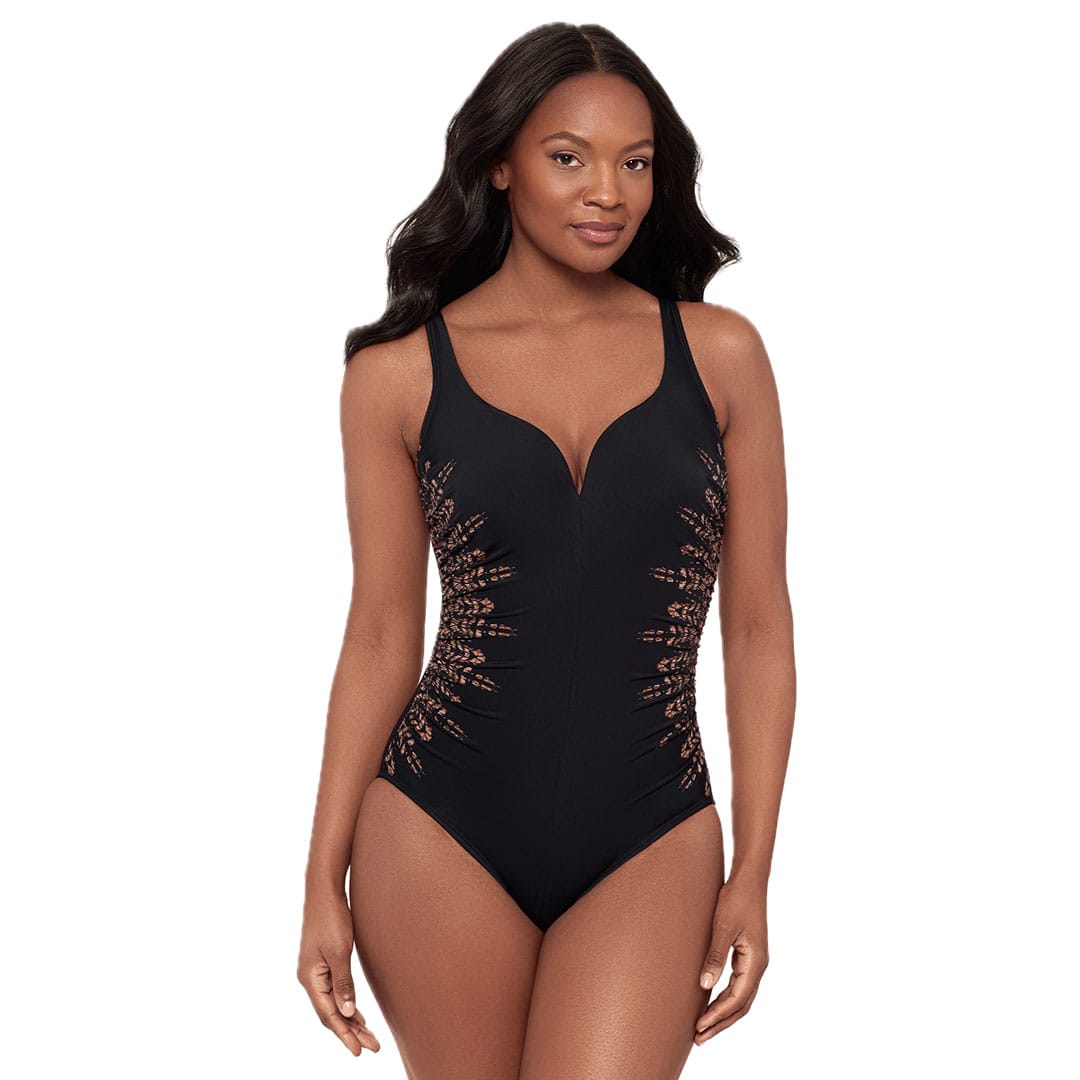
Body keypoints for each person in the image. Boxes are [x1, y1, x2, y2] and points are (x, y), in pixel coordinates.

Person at [297, 21, 795, 1079]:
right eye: (569, 157)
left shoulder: (722, 357)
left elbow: (757, 625)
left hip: (653, 828)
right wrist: (318, 881)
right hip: (436, 827)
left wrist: (753, 867)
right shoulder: (396, 376)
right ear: (499, 163)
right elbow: (381, 632)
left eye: (635, 162)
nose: (607, 192)